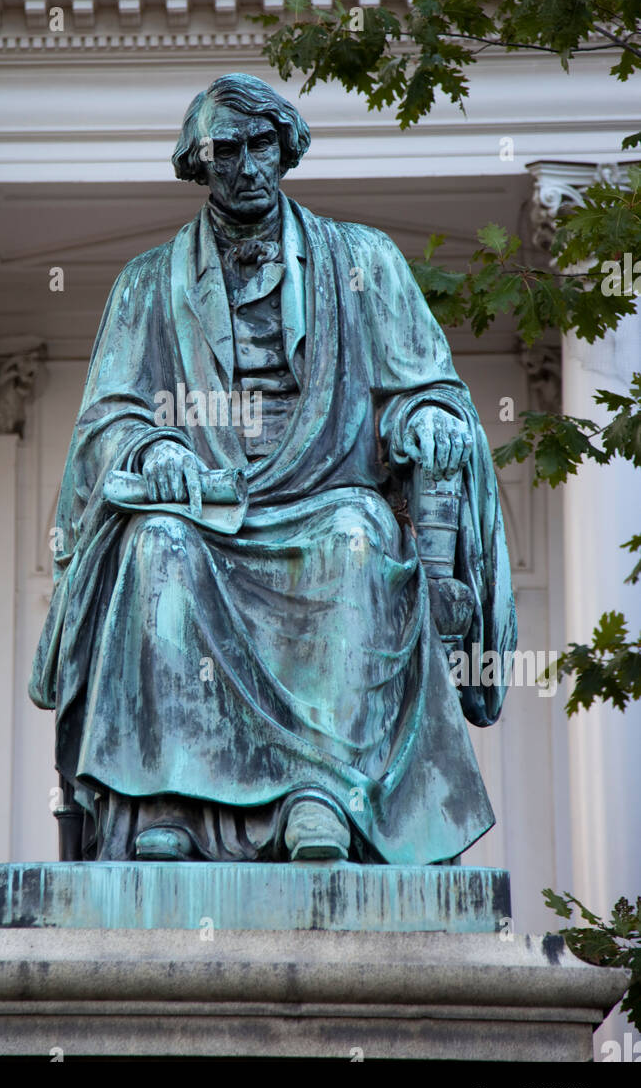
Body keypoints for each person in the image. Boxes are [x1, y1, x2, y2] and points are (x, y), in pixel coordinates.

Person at [29, 73, 516, 864]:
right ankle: (169, 801)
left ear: (286, 150)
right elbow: (107, 418)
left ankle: (322, 798)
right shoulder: (147, 284)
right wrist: (152, 446)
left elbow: (422, 384)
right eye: (227, 149)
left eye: (263, 145)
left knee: (357, 538)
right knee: (156, 547)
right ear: (199, 162)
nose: (248, 165)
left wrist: (428, 415)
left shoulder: (366, 261)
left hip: (328, 497)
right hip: (203, 509)